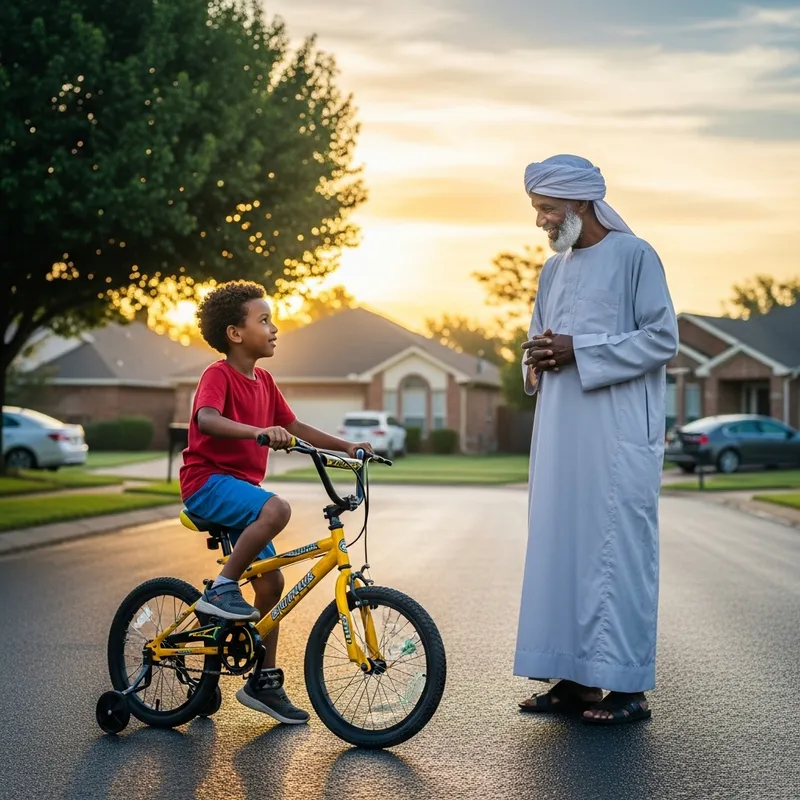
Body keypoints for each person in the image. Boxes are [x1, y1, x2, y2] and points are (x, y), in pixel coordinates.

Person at [513, 154, 679, 725]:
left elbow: (662, 337)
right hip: (560, 436)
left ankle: (627, 688)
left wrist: (580, 349)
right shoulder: (551, 271)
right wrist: (536, 356)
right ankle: (573, 682)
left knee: (617, 554)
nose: (540, 221)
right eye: (537, 209)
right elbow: (540, 337)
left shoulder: (636, 256)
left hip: (616, 438)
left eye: (547, 209)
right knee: (562, 548)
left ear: (582, 203)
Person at [179, 279, 373, 725]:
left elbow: (296, 426)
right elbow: (206, 419)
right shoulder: (218, 375)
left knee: (271, 586)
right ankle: (223, 589)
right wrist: (257, 433)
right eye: (263, 320)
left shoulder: (264, 381)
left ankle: (263, 684)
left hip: (240, 495)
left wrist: (348, 447)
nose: (274, 327)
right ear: (235, 333)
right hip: (207, 483)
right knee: (277, 508)